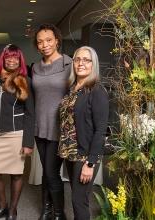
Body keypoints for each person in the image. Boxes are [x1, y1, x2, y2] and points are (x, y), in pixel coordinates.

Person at [58, 46, 109, 220]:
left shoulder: (97, 91)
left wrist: (90, 163)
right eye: (77, 59)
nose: (81, 63)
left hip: (84, 155)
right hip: (70, 151)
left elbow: (100, 130)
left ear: (93, 64)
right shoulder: (73, 87)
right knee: (78, 197)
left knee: (79, 201)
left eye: (86, 60)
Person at [0, 44, 34, 220]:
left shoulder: (24, 81)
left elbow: (30, 113)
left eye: (15, 57)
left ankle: (13, 210)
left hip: (16, 134)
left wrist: (28, 142)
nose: (12, 60)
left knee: (16, 174)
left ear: (20, 60)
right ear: (3, 59)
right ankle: (2, 206)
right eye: (8, 56)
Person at [32, 23, 72, 220]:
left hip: (59, 128)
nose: (44, 44)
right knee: (46, 172)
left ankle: (59, 214)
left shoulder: (69, 64)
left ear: (57, 40)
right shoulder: (35, 67)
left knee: (51, 171)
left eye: (48, 40)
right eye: (40, 41)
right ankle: (46, 210)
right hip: (40, 128)